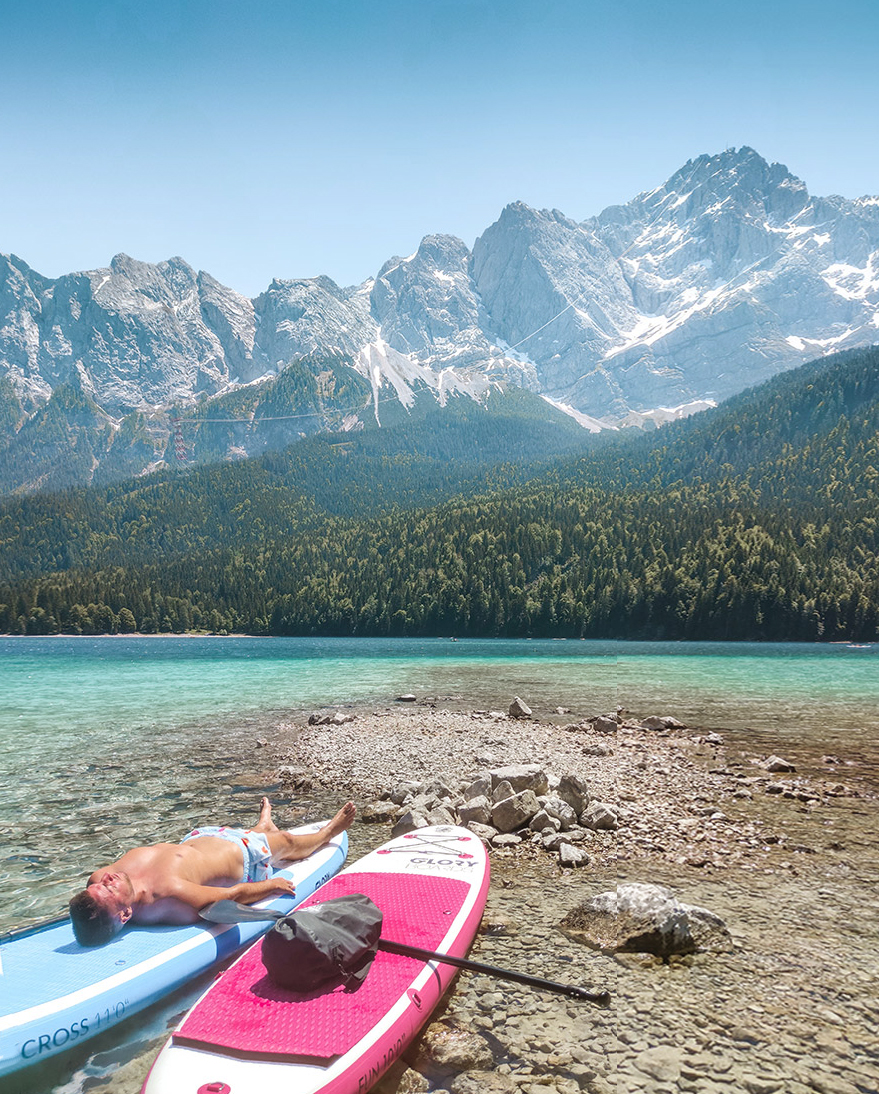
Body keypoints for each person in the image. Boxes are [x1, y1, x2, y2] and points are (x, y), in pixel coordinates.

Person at [68, 798, 355, 946]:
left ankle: (262, 826)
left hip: (200, 838)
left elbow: (97, 893)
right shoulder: (171, 897)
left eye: (98, 884)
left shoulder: (98, 879)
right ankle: (328, 831)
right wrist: (272, 886)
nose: (106, 878)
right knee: (290, 844)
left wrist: (97, 895)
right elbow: (231, 895)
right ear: (125, 915)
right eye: (108, 890)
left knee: (255, 835)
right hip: (245, 854)